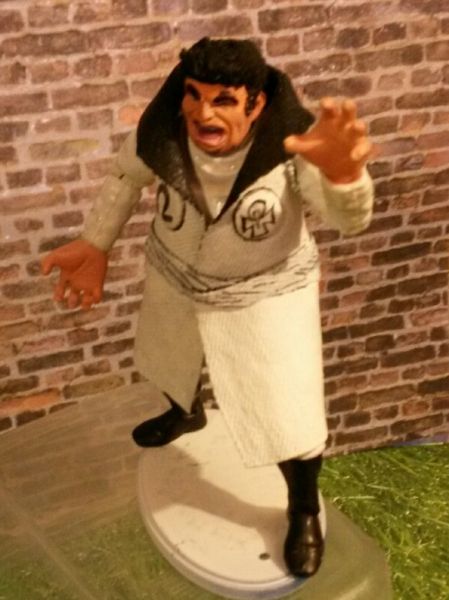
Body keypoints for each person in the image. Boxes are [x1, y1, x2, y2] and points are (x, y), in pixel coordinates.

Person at [41, 37, 374, 578]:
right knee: (172, 356)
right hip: (176, 274)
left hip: (264, 293)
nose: (203, 113)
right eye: (194, 95)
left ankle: (303, 507)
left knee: (288, 411)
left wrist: (343, 177)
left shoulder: (294, 147)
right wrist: (96, 243)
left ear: (256, 103)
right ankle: (185, 411)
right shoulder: (165, 133)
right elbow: (126, 175)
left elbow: (349, 220)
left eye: (222, 100)